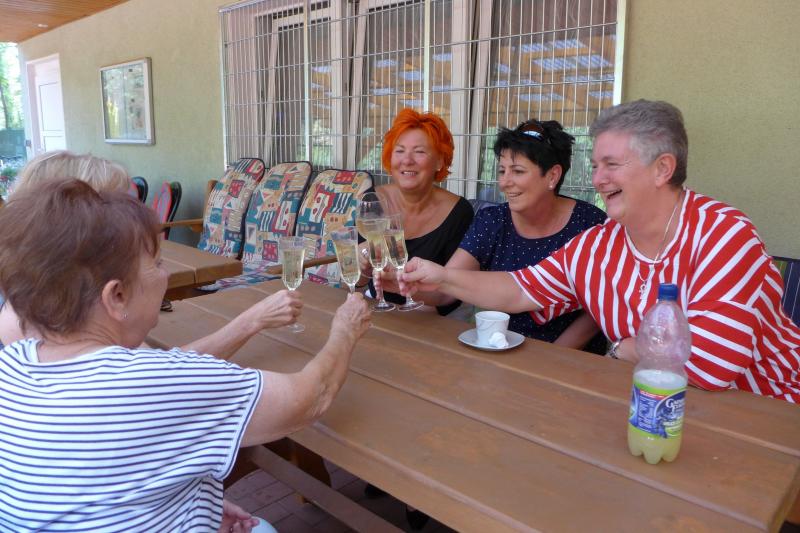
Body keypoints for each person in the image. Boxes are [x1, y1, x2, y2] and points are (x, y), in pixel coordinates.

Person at [0, 180, 371, 531]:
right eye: (158, 263)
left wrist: (188, 500)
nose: (165, 275)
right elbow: (309, 398)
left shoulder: (12, 364)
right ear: (117, 296)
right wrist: (346, 328)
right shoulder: (152, 381)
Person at [401, 99, 800, 403]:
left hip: (765, 411)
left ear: (662, 169)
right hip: (655, 407)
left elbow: (712, 366)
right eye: (595, 166)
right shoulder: (600, 243)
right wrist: (441, 276)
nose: (597, 179)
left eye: (611, 164)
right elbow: (520, 289)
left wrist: (624, 348)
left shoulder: (723, 234)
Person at [0, 151, 301, 358]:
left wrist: (253, 321)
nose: (130, 215)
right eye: (115, 206)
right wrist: (251, 322)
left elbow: (161, 371)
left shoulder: (48, 304)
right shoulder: (37, 334)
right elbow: (171, 384)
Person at [393, 119, 606, 352]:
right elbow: (445, 290)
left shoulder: (589, 224)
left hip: (572, 356)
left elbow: (599, 307)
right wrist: (398, 282)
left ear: (553, 176)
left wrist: (553, 354)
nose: (504, 183)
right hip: (501, 348)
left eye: (518, 171)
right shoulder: (492, 221)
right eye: (502, 170)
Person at [364, 108, 473, 315]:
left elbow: (453, 292)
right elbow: (361, 279)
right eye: (399, 151)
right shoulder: (372, 201)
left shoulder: (459, 212)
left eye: (419, 151)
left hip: (430, 315)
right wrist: (362, 263)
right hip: (379, 308)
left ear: (439, 161)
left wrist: (402, 287)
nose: (407, 160)